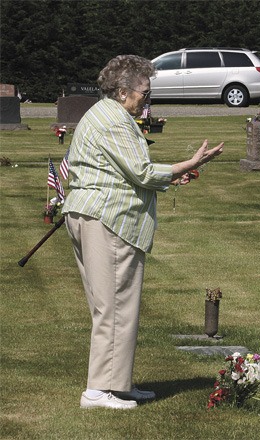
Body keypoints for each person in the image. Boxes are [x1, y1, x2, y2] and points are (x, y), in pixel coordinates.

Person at [62, 55, 224, 409]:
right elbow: (142, 172)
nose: (147, 100)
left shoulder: (105, 113)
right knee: (116, 304)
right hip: (109, 219)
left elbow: (124, 169)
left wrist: (170, 174)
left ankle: (116, 384)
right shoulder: (115, 120)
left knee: (111, 304)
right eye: (144, 93)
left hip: (91, 213)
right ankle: (98, 391)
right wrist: (191, 163)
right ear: (122, 92)